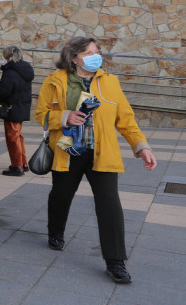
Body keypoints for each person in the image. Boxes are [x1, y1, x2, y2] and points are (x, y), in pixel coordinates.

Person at [36, 37, 156, 284]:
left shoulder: (110, 81)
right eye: (89, 52)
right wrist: (65, 117)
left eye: (97, 51)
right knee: (61, 194)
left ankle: (115, 262)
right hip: (68, 151)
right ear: (74, 58)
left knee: (110, 204)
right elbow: (41, 115)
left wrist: (140, 145)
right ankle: (55, 232)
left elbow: (126, 118)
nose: (96, 56)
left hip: (102, 152)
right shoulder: (54, 81)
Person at [0, 46, 35, 176]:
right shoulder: (25, 69)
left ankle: (17, 166)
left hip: (12, 108)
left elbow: (5, 90)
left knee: (12, 137)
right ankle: (23, 163)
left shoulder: (11, 71)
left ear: (8, 57)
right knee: (17, 136)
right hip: (22, 106)